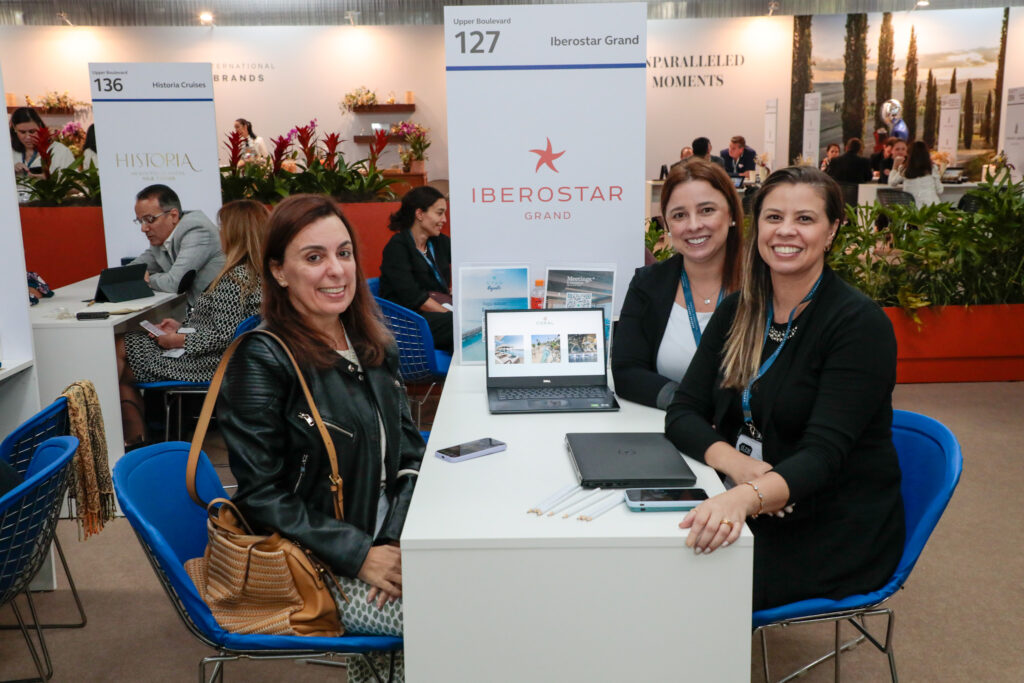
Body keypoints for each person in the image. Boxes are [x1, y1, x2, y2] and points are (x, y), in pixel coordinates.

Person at [665, 166, 904, 612]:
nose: (786, 232)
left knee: (678, 582)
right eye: (774, 218)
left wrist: (746, 496)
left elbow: (823, 457)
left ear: (832, 230)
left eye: (805, 219)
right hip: (760, 500)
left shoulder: (858, 325)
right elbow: (683, 412)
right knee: (645, 555)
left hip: (831, 522)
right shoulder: (739, 310)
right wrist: (740, 468)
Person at [216, 194, 423, 682]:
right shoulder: (263, 360)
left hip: (386, 543)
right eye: (314, 257)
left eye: (344, 253)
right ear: (280, 272)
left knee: (497, 581)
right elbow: (261, 495)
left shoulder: (374, 347)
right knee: (462, 618)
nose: (336, 270)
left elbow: (410, 454)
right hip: (321, 567)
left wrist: (391, 540)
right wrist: (360, 555)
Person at [115, 200, 268, 446]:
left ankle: (132, 445)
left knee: (119, 351)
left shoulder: (235, 278)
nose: (219, 234)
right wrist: (181, 328)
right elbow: (224, 327)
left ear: (235, 233)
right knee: (122, 362)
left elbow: (222, 336)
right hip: (219, 360)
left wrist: (177, 339)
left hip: (207, 364)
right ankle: (136, 444)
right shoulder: (255, 274)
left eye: (223, 228)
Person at [613, 161, 743, 409]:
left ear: (732, 215)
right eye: (680, 215)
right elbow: (626, 371)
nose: (693, 225)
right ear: (668, 224)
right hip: (668, 431)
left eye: (706, 210)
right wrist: (687, 404)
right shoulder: (648, 283)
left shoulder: (765, 286)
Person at [379, 185, 453, 352]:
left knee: (475, 320)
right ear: (420, 214)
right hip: (408, 322)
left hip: (434, 315)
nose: (444, 220)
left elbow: (465, 261)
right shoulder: (397, 248)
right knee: (461, 325)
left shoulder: (439, 242)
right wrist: (451, 315)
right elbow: (415, 299)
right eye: (439, 213)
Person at [129, 184, 226, 302]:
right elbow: (130, 271)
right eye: (140, 221)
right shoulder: (160, 238)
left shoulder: (197, 230)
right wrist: (135, 275)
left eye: (149, 219)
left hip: (221, 312)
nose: (143, 228)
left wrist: (146, 279)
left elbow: (176, 283)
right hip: (196, 313)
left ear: (173, 216)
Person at [10, 107, 74, 200]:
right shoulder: (8, 153)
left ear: (40, 127)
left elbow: (76, 186)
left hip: (50, 209)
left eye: (32, 131)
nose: (28, 137)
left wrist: (49, 181)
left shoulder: (59, 151)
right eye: (22, 132)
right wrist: (9, 172)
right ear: (14, 130)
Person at [889, 140, 943, 206]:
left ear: (909, 154)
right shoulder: (932, 168)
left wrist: (894, 167)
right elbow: (940, 190)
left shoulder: (904, 169)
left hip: (912, 211)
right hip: (932, 209)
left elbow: (891, 183)